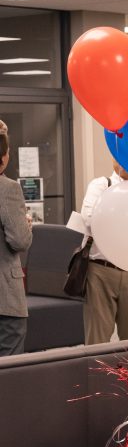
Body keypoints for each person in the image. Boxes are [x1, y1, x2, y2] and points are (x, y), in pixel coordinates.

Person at [80, 162, 128, 344]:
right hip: (101, 270)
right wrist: (127, 220)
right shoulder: (102, 185)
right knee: (97, 342)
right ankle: (96, 374)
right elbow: (89, 219)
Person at [0, 132, 31, 355]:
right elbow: (20, 240)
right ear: (3, 157)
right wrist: (26, 226)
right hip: (4, 298)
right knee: (9, 373)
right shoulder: (7, 188)